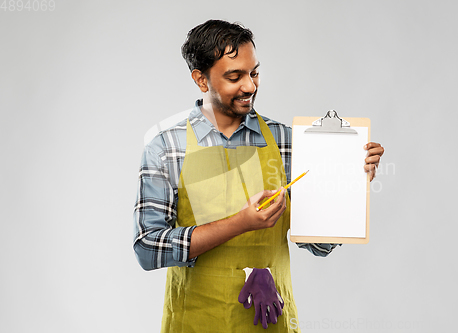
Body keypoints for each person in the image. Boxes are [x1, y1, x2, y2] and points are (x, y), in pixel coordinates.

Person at [133, 19, 384, 332]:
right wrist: (240, 223)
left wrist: (347, 186)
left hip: (272, 322)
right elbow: (147, 248)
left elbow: (318, 244)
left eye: (254, 73)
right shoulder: (167, 148)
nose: (250, 86)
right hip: (197, 321)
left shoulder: (286, 141)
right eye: (234, 76)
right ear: (201, 79)